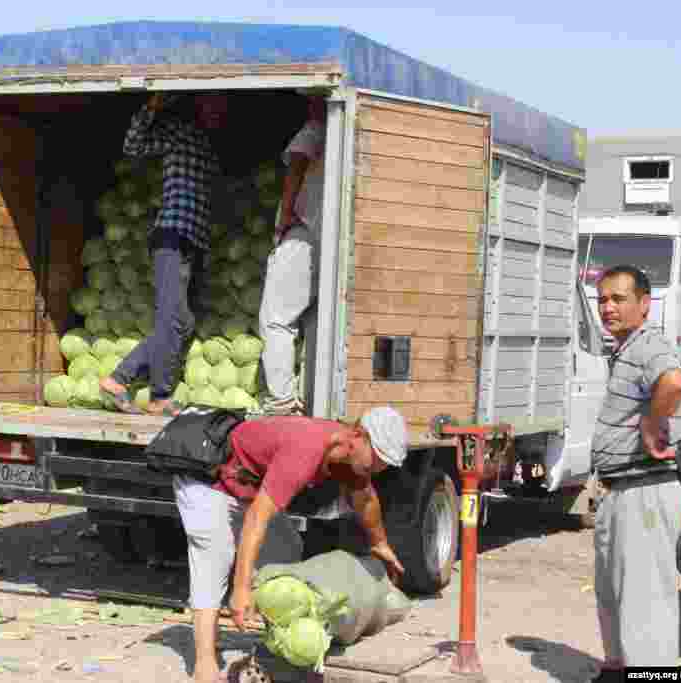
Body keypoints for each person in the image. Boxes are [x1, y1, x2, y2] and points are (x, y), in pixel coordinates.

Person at [175, 406, 407, 683]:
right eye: (375, 460)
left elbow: (365, 499)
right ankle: (204, 662)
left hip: (245, 487)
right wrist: (241, 588)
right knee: (215, 555)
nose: (376, 469)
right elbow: (256, 520)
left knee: (286, 549)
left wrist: (380, 543)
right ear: (357, 435)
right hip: (207, 483)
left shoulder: (350, 457)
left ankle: (279, 642)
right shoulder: (305, 450)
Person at [100, 92, 227, 417]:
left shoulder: (211, 149)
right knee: (171, 320)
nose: (217, 111)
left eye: (221, 107)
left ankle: (118, 379)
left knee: (183, 325)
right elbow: (133, 145)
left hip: (192, 243)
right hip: (171, 236)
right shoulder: (179, 132)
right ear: (199, 107)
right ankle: (159, 395)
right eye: (212, 105)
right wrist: (151, 108)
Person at [590, 264, 681, 678]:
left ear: (644, 304)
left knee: (645, 603)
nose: (608, 308)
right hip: (621, 490)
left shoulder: (649, 345)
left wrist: (651, 422)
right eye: (602, 300)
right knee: (614, 596)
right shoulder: (626, 348)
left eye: (618, 299)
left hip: (645, 488)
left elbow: (675, 381)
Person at [258, 96, 327, 416]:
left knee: (277, 319)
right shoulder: (339, 138)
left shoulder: (314, 130)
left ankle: (282, 399)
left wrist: (285, 215)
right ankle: (306, 395)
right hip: (327, 240)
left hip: (302, 233)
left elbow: (296, 165)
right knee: (313, 322)